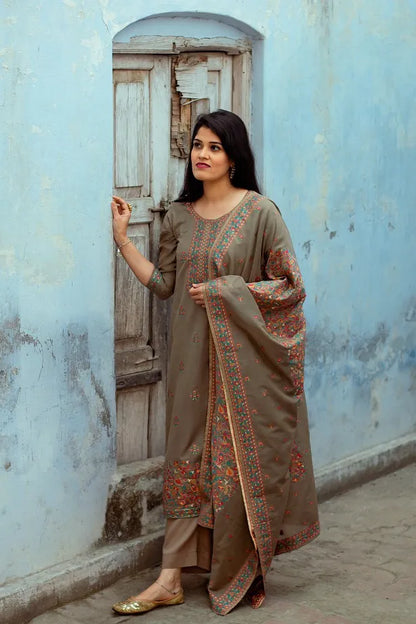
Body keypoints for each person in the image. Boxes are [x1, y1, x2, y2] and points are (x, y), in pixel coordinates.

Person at [111, 109, 319, 616]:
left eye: (214, 148)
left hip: (239, 369)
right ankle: (170, 578)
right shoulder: (179, 216)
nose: (202, 155)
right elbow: (164, 284)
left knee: (229, 465)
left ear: (233, 157)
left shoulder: (260, 212)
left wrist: (230, 291)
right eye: (197, 146)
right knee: (184, 462)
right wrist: (122, 240)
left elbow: (290, 287)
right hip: (188, 362)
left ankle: (235, 563)